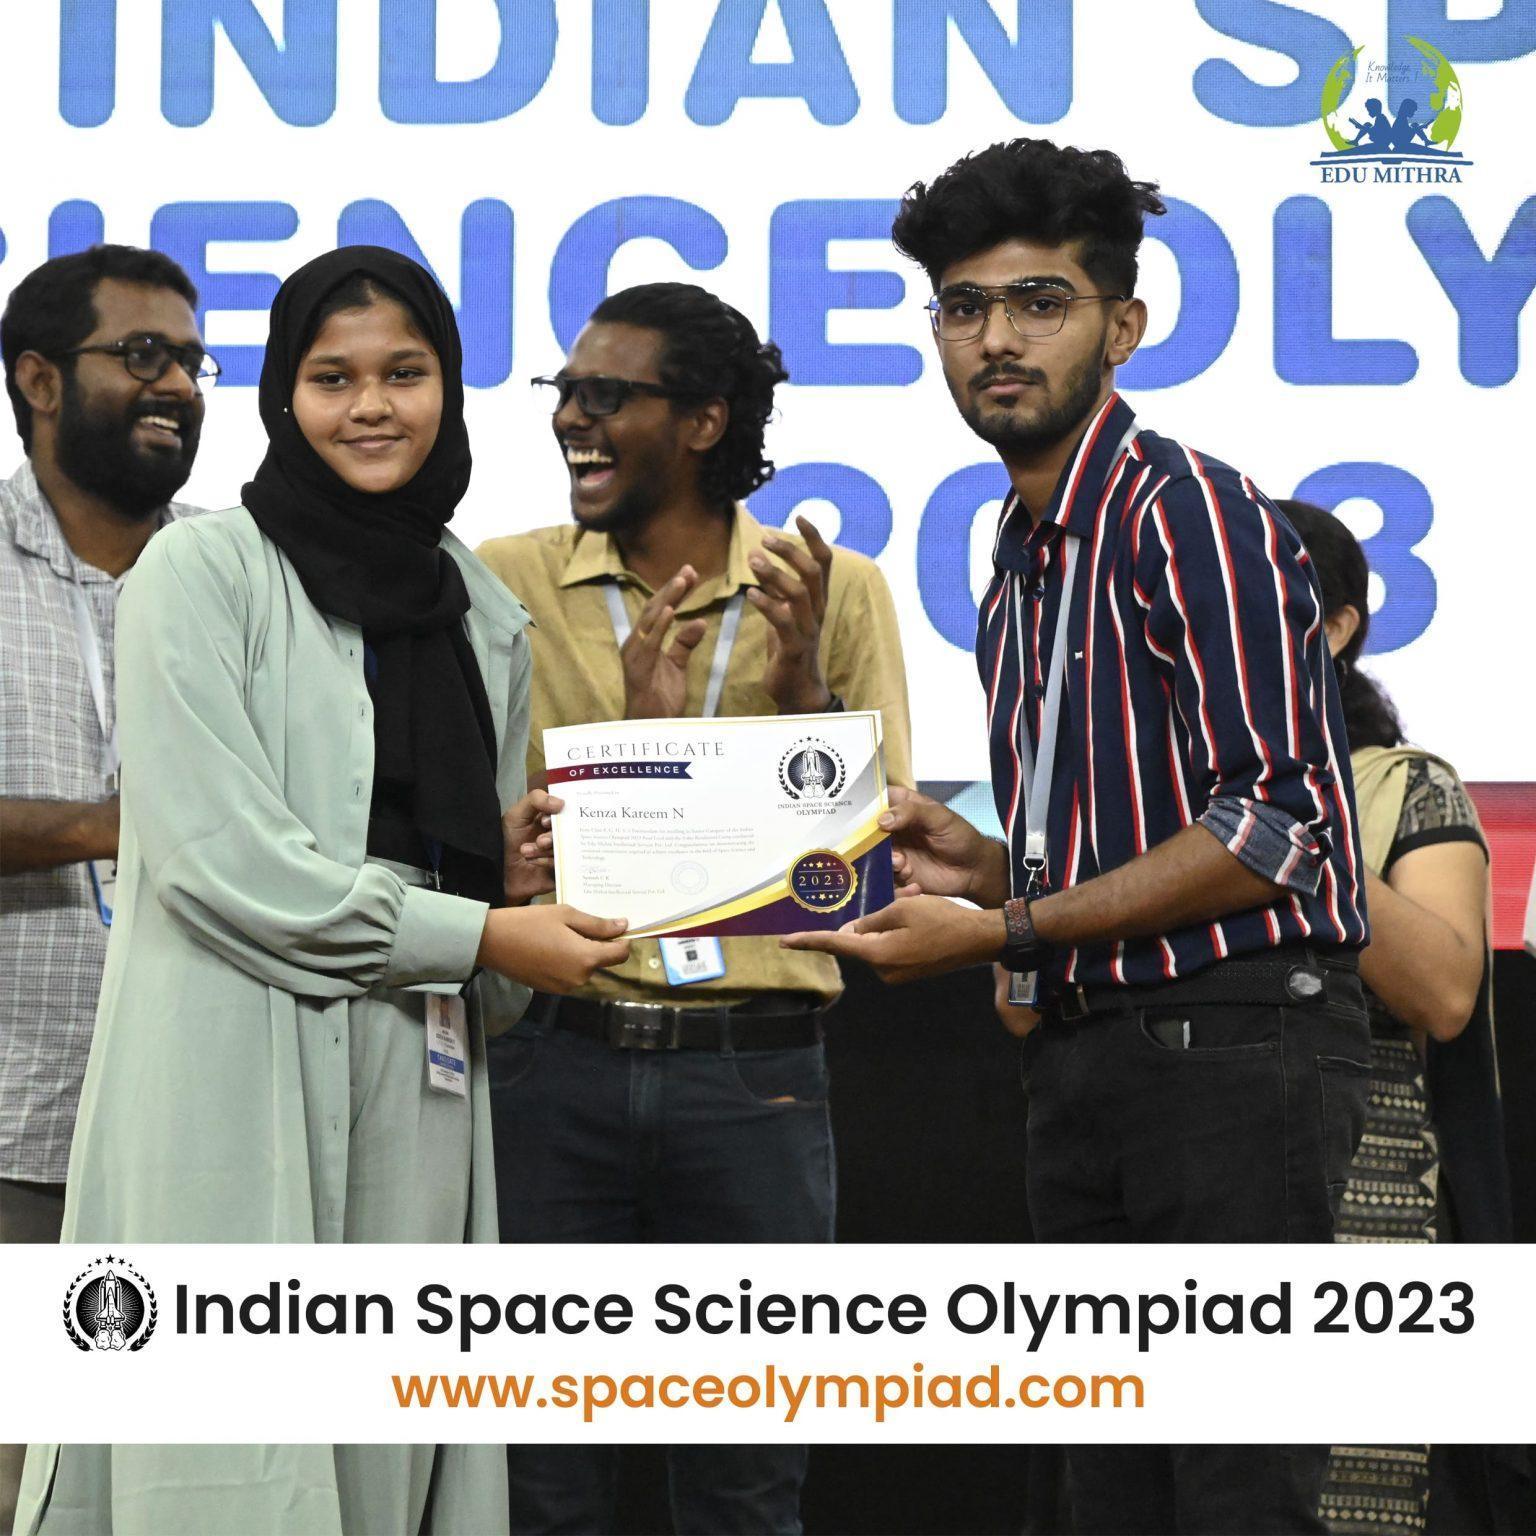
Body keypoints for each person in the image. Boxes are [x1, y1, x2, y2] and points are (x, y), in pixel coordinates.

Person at [784, 139, 1371, 1535]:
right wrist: (990, 864)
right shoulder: (1021, 557)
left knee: (1234, 1494)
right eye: (964, 307)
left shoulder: (1189, 512)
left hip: (1233, 1051)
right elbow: (1139, 832)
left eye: (1039, 302)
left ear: (1124, 325)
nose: (997, 339)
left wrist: (1005, 924)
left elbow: (1278, 824)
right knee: (1109, 1495)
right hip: (1090, 1054)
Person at [14, 247, 630, 1536]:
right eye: (331, 378)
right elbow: (214, 859)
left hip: (422, 1068)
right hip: (228, 1061)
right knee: (224, 1456)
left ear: (448, 388)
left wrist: (511, 883)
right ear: (284, 398)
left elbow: (475, 901)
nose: (371, 407)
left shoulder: (479, 610)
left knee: (387, 1450)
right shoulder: (203, 573)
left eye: (405, 374)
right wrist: (480, 929)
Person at [475, 280, 912, 1536]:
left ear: (705, 420)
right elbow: (492, 845)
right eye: (565, 392)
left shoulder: (831, 589)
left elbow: (856, 871)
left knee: (745, 1481)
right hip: (554, 1068)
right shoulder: (501, 580)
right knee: (543, 1477)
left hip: (753, 1078)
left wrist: (802, 685)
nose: (572, 418)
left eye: (607, 395)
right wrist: (640, 745)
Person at [0, 244, 208, 1535]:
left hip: (206, 1129)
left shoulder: (239, 573)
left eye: (189, 360)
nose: (176, 384)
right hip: (17, 1128)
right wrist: (109, 828)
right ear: (37, 381)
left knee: (189, 1494)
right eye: (141, 355)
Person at [1278, 501, 1520, 1536]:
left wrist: (1289, 840)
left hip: (1364, 1209)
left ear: (1335, 629)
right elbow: (1024, 1013)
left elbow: (1447, 995)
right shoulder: (1145, 786)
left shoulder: (1403, 789)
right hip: (1182, 1193)